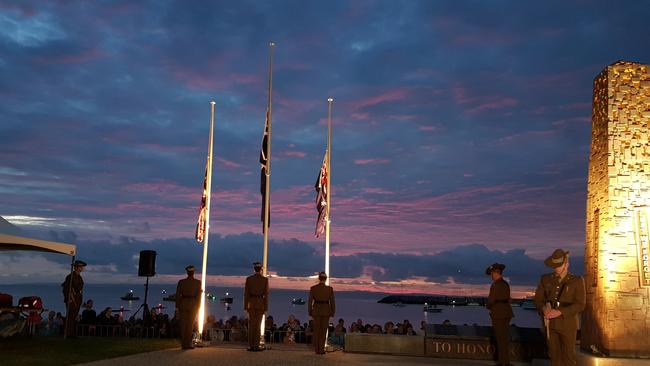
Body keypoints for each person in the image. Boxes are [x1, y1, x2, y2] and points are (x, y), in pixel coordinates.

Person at [534, 249, 585, 366]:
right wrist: (543, 308)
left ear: (567, 264)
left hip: (567, 324)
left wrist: (560, 312)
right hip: (550, 324)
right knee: (554, 357)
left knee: (568, 358)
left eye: (558, 265)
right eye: (554, 266)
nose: (556, 268)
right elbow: (537, 299)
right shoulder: (545, 279)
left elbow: (580, 304)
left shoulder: (576, 281)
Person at [485, 263, 513, 366]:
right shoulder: (505, 284)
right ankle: (505, 362)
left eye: (492, 274)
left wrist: (488, 305)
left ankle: (503, 363)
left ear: (496, 273)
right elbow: (509, 299)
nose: (491, 276)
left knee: (500, 339)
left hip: (499, 314)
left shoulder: (496, 285)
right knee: (504, 339)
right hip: (506, 313)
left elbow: (491, 300)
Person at [243, 261, 269, 351]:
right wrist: (266, 307)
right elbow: (266, 294)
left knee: (251, 325)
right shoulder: (265, 280)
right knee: (258, 325)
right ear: (261, 269)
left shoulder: (249, 279)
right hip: (260, 304)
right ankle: (256, 345)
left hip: (252, 303)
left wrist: (245, 306)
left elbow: (246, 294)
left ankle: (251, 345)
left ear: (254, 269)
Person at [308, 271, 335, 355]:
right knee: (323, 331)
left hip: (316, 311)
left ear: (319, 279)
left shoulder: (313, 288)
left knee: (317, 331)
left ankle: (317, 349)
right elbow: (332, 302)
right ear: (326, 279)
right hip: (326, 311)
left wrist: (310, 311)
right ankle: (321, 349)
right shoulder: (330, 289)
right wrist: (332, 312)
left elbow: (310, 302)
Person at [175, 265, 202, 349]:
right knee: (190, 324)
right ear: (193, 273)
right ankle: (188, 343)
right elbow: (198, 296)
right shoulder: (198, 282)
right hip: (193, 304)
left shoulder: (181, 282)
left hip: (183, 303)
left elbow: (178, 295)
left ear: (187, 272)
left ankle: (183, 344)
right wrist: (199, 306)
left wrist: (177, 306)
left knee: (183, 324)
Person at [62, 259, 86, 338]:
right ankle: (68, 333)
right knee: (70, 316)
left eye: (82, 267)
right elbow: (66, 288)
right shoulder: (70, 277)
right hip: (72, 298)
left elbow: (80, 288)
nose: (82, 268)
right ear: (76, 267)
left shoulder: (79, 277)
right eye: (81, 267)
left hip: (78, 298)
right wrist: (69, 299)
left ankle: (71, 332)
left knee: (74, 316)